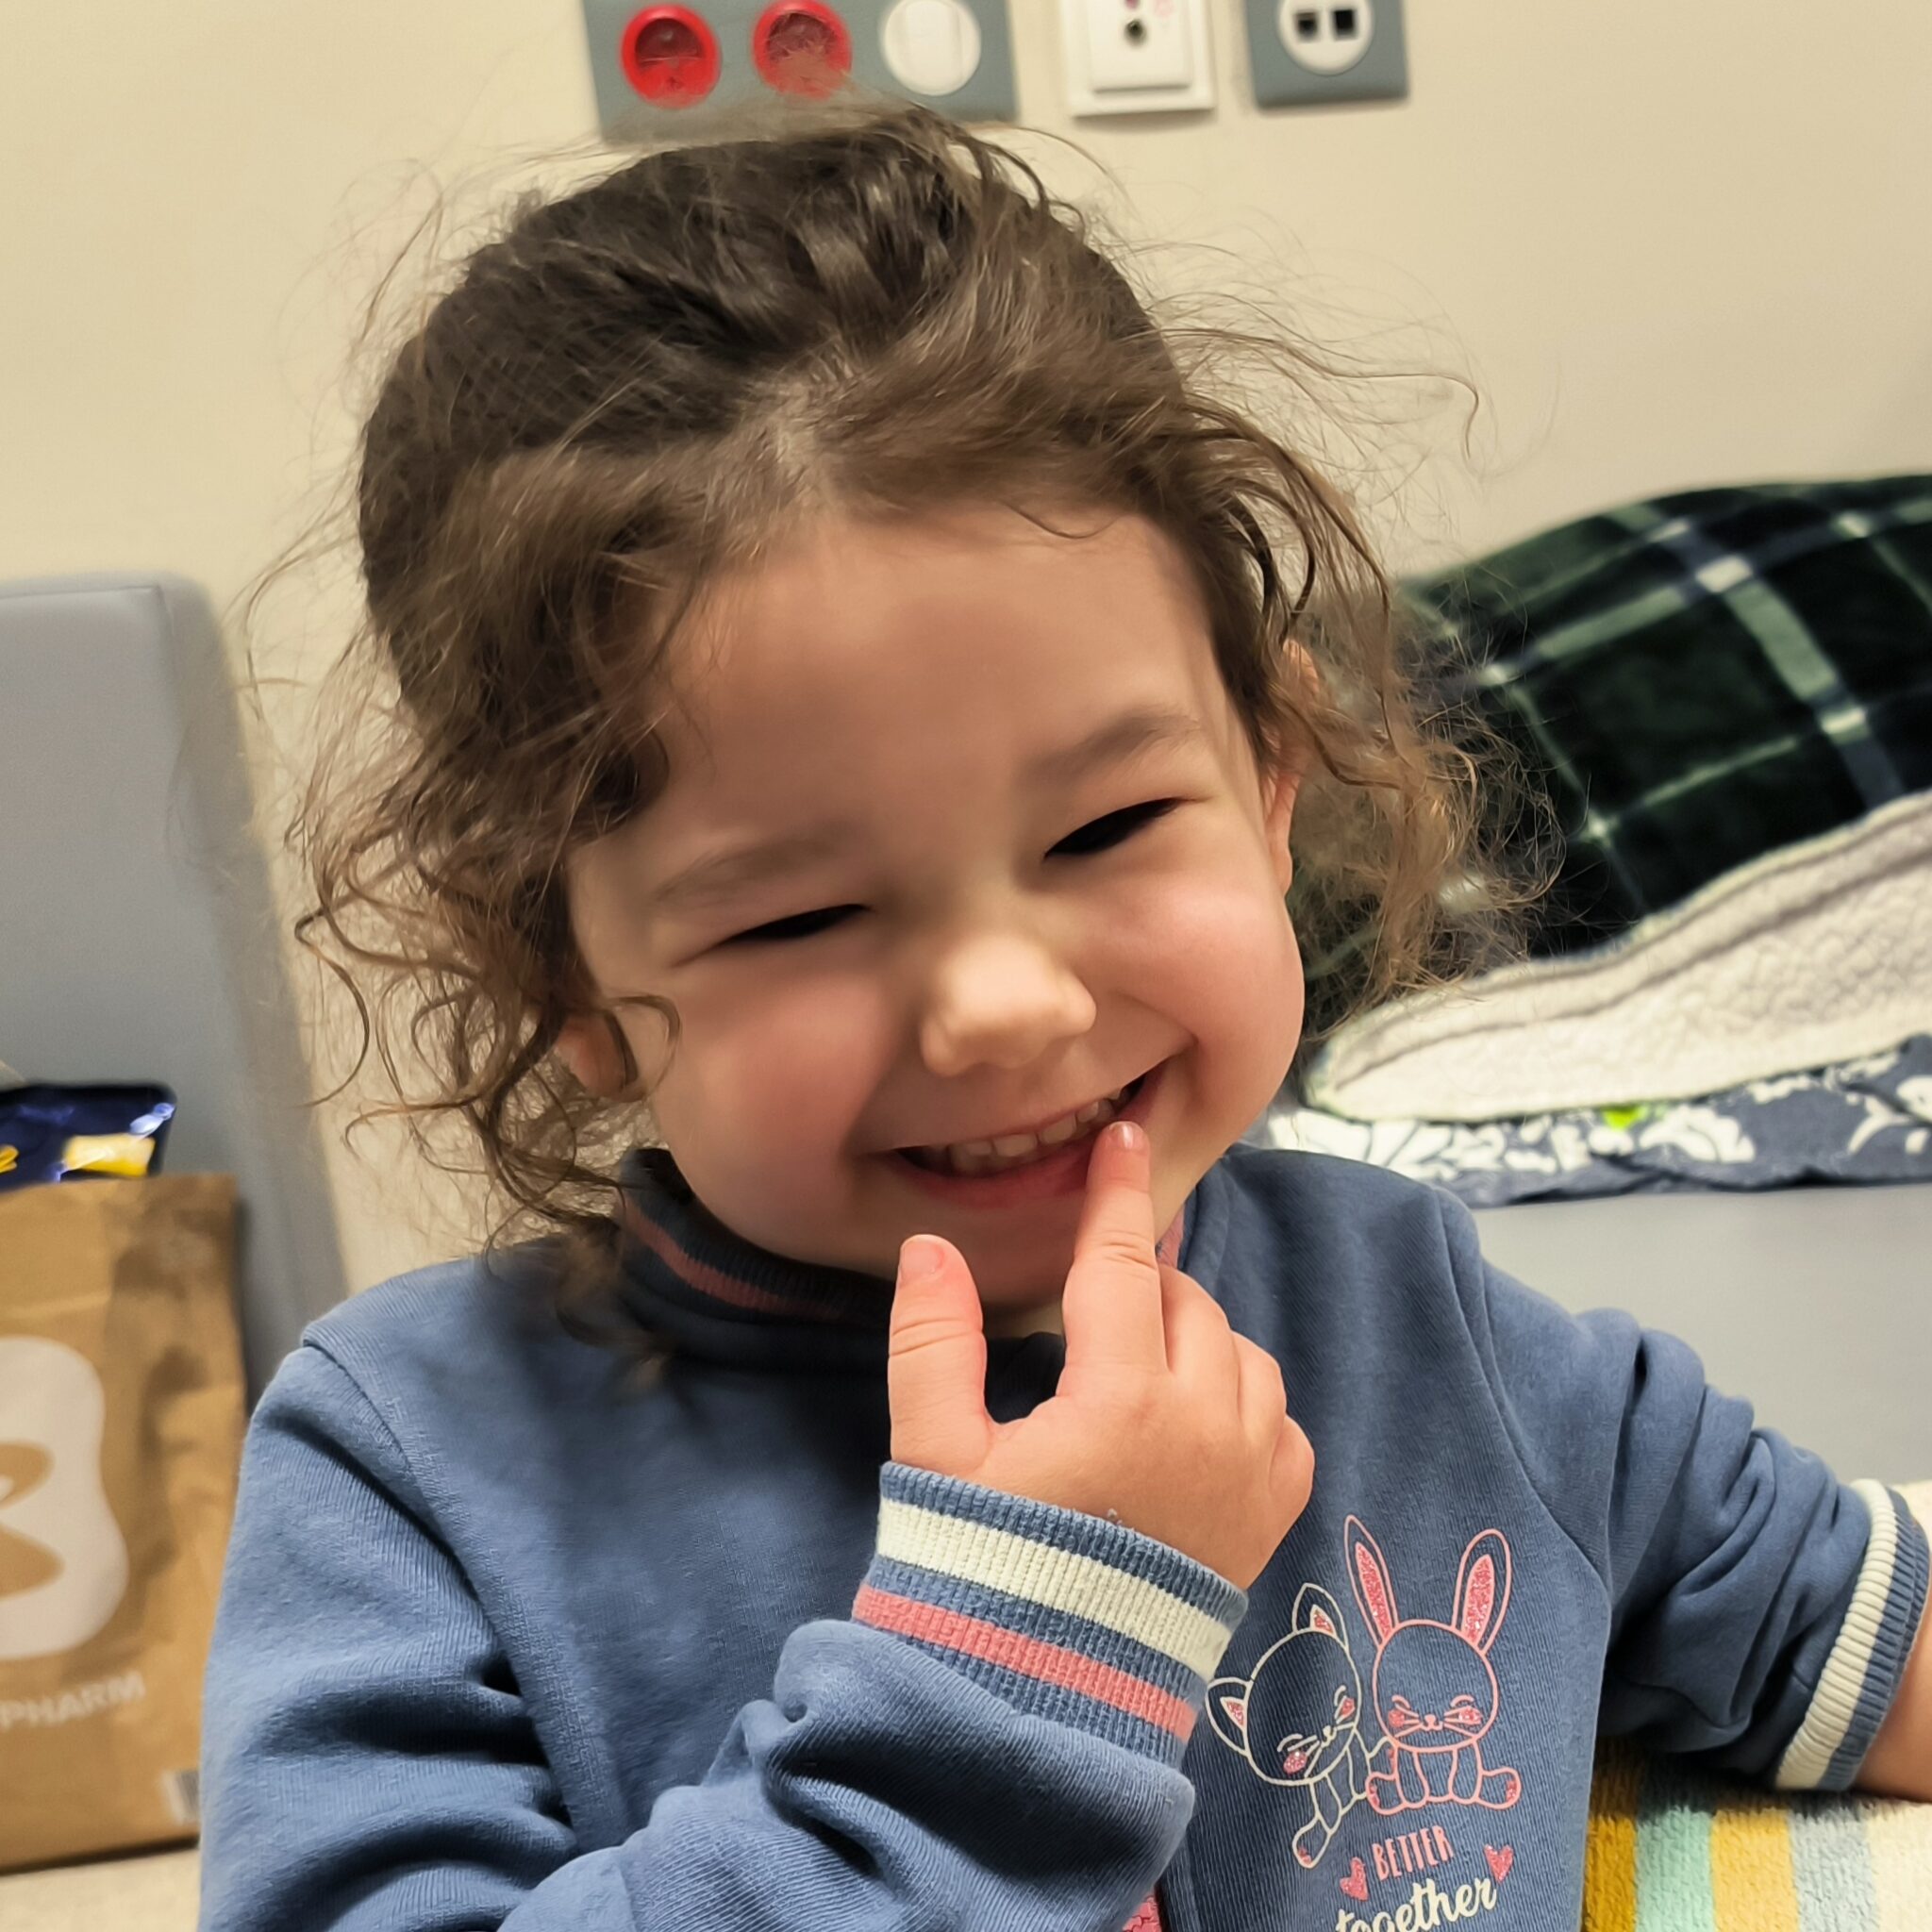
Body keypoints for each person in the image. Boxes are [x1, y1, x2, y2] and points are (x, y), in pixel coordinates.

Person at [199, 101, 1930, 1931]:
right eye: (801, 915)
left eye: (1106, 828)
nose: (1008, 1005)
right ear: (562, 984)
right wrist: (1027, 1659)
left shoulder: (1429, 1323)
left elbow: (1850, 1631)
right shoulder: (411, 1470)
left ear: (1272, 778)